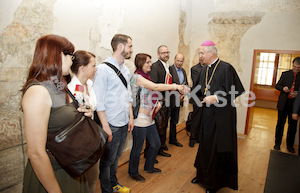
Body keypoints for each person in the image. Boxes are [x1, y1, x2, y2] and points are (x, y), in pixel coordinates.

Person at [21, 34, 92, 193]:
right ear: (60, 55)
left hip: (71, 167)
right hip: (53, 176)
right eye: (71, 56)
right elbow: (36, 153)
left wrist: (85, 112)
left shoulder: (58, 85)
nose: (72, 60)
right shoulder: (37, 92)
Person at [191, 40, 245, 193]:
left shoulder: (226, 68)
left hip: (222, 117)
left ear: (211, 52)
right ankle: (202, 176)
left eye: (202, 53)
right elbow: (199, 90)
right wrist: (186, 92)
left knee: (216, 148)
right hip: (207, 115)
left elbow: (236, 92)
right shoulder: (204, 70)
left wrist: (217, 98)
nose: (200, 56)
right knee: (205, 146)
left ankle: (213, 183)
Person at [128, 53, 184, 182]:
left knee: (156, 143)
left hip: (149, 117)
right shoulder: (137, 77)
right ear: (141, 64)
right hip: (139, 119)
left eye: (150, 62)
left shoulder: (146, 77)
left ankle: (148, 167)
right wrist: (175, 86)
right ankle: (133, 172)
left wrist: (156, 103)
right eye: (147, 62)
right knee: (137, 147)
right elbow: (155, 87)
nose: (150, 64)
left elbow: (151, 92)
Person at [93, 34, 134, 193]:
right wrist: (106, 126)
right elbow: (99, 102)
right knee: (107, 160)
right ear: (120, 47)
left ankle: (114, 183)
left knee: (116, 157)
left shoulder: (126, 69)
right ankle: (107, 189)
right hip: (111, 124)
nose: (132, 49)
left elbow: (128, 96)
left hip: (124, 121)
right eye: (130, 46)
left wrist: (130, 117)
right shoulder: (103, 70)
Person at [68, 50, 98, 193]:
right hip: (80, 141)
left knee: (93, 177)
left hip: (91, 136)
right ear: (83, 68)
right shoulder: (74, 89)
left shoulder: (90, 84)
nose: (96, 68)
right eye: (93, 65)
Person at [146, 45, 172, 157]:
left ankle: (160, 149)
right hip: (158, 103)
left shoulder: (167, 66)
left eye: (167, 52)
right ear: (158, 55)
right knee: (155, 129)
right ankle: (150, 154)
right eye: (163, 53)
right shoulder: (155, 67)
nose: (166, 54)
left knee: (163, 126)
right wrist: (159, 102)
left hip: (166, 102)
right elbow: (154, 86)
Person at [274, 57, 300, 153]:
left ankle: (290, 146)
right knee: (280, 124)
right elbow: (277, 85)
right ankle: (277, 143)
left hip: (295, 106)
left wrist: (298, 94)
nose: (296, 69)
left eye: (298, 67)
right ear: (292, 65)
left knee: (292, 126)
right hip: (284, 103)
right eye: (295, 66)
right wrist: (283, 88)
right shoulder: (285, 74)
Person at [168, 53, 188, 147]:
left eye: (181, 61)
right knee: (165, 122)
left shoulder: (183, 71)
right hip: (170, 100)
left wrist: (183, 95)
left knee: (174, 121)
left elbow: (185, 84)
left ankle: (173, 139)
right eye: (178, 60)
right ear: (174, 59)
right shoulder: (169, 69)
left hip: (179, 100)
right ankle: (162, 144)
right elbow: (168, 85)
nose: (179, 63)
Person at [188, 57, 205, 147]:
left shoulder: (210, 68)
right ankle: (192, 138)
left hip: (206, 98)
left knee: (203, 120)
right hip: (197, 98)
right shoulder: (195, 69)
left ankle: (199, 137)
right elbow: (198, 84)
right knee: (196, 119)